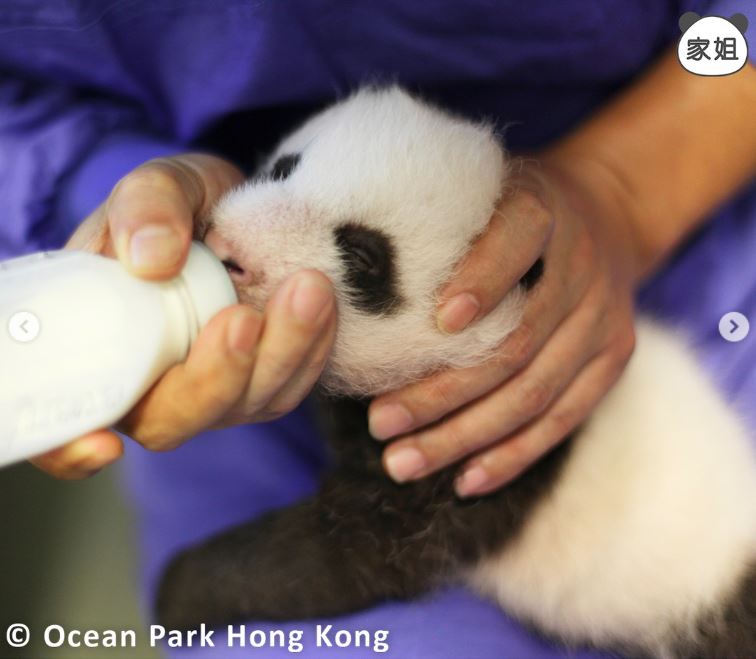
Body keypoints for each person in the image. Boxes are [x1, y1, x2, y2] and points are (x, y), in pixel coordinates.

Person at [1, 3, 754, 657]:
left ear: (491, 308)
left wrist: (621, 191)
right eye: (289, 167)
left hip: (715, 578)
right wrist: (123, 214)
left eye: (359, 257)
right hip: (235, 401)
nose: (244, 231)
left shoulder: (481, 409)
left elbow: (364, 545)